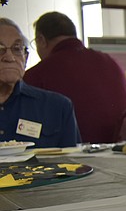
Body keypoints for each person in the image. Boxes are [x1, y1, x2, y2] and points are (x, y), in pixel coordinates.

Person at [24, 11, 126, 143]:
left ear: (41, 40)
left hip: (73, 152)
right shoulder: (111, 62)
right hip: (121, 149)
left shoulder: (37, 74)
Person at [0, 18, 80, 147]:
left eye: (17, 48)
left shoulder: (58, 107)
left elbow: (73, 158)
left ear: (26, 58)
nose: (10, 57)